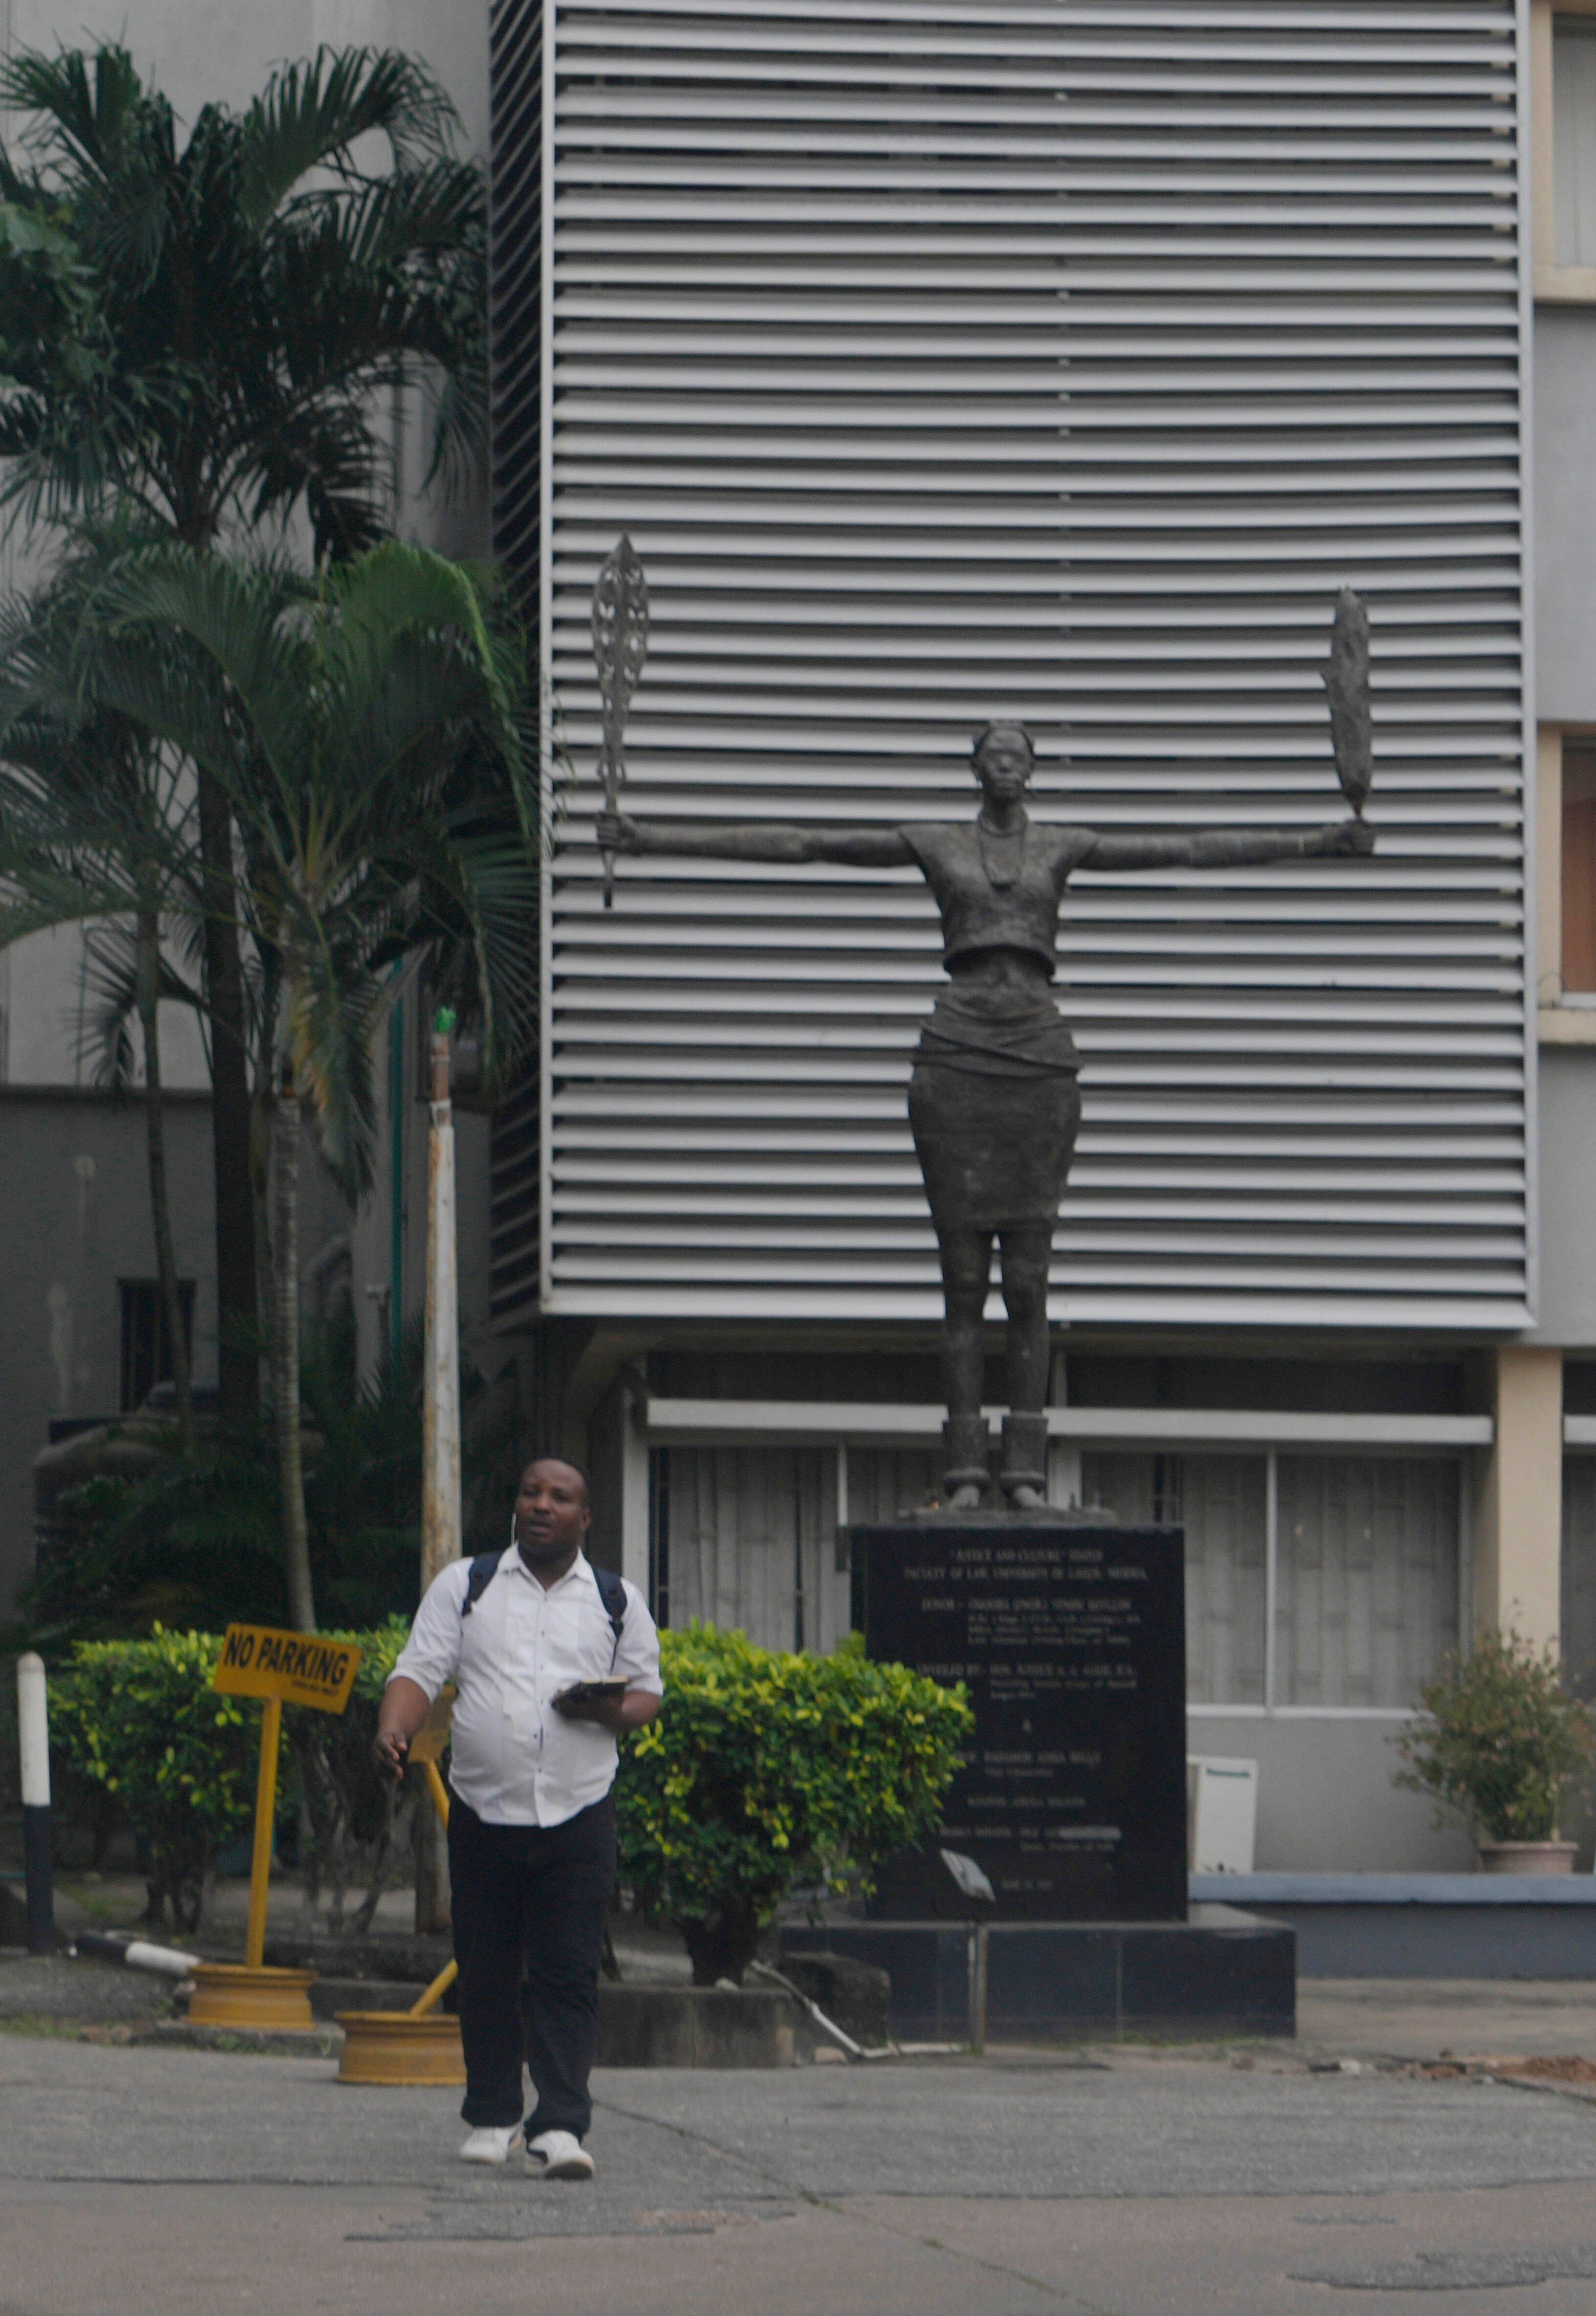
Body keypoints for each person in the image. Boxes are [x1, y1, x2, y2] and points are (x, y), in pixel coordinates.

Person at [604, 724, 1368, 1509]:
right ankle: (966, 1470)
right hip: (956, 1048)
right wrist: (648, 835)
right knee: (963, 1280)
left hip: (1037, 1054)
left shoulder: (1061, 845)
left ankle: (1028, 1472)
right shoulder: (937, 842)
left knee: (1030, 1280)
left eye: (1019, 754)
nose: (1006, 765)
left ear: (1032, 769)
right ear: (975, 767)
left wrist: (1322, 841)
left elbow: (1187, 849)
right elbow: (807, 843)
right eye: (993, 754)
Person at [369, 1458, 662, 2182]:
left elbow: (647, 1693)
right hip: (483, 1808)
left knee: (566, 1971)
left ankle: (560, 2124)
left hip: (578, 1809)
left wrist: (602, 1707)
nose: (541, 1504)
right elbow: (418, 1669)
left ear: (584, 1517)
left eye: (560, 1496)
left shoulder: (615, 1599)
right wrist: (393, 1729)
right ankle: (493, 2114)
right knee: (488, 1967)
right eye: (530, 1491)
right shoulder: (465, 1585)